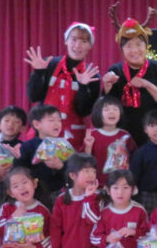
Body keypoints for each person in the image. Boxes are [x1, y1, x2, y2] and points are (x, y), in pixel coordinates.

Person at [101, 4, 157, 145]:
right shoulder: (115, 70)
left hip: (154, 135)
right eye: (128, 46)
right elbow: (108, 105)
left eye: (139, 44)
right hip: (123, 135)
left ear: (146, 46)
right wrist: (107, 86)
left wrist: (146, 84)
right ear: (122, 49)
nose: (134, 50)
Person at [24, 22, 101, 151]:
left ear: (90, 46)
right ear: (66, 41)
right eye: (73, 39)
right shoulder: (49, 64)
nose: (78, 45)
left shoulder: (92, 75)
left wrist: (83, 87)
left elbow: (84, 111)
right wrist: (39, 73)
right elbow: (33, 96)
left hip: (73, 137)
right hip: (43, 134)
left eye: (84, 41)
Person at [16, 104, 72, 206]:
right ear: (37, 124)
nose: (57, 124)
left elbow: (73, 174)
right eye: (51, 120)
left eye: (59, 120)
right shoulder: (27, 147)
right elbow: (19, 172)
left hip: (60, 195)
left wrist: (60, 166)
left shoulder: (63, 146)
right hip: (35, 196)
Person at [83, 96, 137, 188]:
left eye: (115, 109)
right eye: (106, 109)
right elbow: (85, 160)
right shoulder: (92, 135)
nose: (111, 112)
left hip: (119, 186)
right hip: (97, 184)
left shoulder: (125, 135)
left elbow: (134, 157)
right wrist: (88, 146)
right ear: (98, 113)